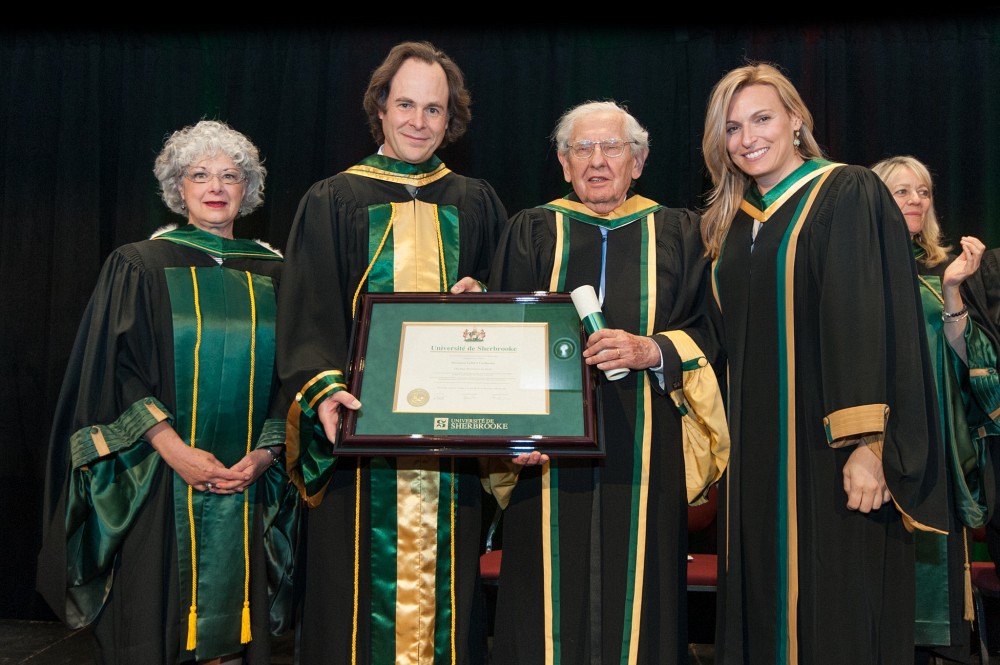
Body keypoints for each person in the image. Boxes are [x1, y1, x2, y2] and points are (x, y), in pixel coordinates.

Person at [699, 62, 950, 664]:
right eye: (732, 128)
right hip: (754, 458)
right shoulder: (731, 224)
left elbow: (865, 319)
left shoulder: (846, 191)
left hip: (828, 453)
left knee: (835, 606)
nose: (748, 138)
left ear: (797, 121)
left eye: (762, 119)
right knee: (760, 599)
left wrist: (867, 445)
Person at [275, 41, 507, 665]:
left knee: (450, 601)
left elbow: (508, 301)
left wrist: (484, 298)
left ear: (450, 118)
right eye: (405, 104)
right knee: (351, 602)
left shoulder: (476, 200)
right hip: (362, 441)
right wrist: (323, 392)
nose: (418, 121)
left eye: (433, 109)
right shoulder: (334, 199)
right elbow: (309, 312)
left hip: (450, 445)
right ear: (380, 107)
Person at [35, 119, 298, 665]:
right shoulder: (140, 265)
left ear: (248, 190)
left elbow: (296, 374)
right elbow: (117, 370)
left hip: (249, 479)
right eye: (200, 174)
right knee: (156, 623)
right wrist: (176, 452)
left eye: (230, 175)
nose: (216, 186)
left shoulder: (277, 272)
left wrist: (264, 454)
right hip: (160, 479)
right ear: (178, 189)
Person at [486, 100, 728, 664]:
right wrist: (513, 433)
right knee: (543, 593)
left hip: (647, 445)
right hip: (545, 456)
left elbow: (710, 335)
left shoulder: (680, 232)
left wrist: (651, 349)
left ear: (637, 162)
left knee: (643, 596)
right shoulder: (531, 230)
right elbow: (500, 339)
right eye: (582, 149)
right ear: (564, 165)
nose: (597, 161)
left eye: (612, 147)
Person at [873, 155, 1000, 664]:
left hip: (935, 443)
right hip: (873, 441)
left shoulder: (944, 272)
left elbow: (977, 364)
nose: (916, 201)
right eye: (902, 191)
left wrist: (951, 291)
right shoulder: (855, 265)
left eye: (922, 192)